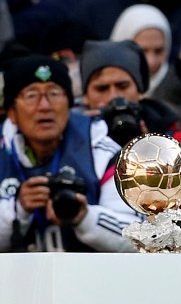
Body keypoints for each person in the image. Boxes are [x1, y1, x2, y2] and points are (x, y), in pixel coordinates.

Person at [0, 55, 138, 251]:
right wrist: (18, 210)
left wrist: (84, 217)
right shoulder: (3, 154)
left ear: (70, 104)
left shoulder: (102, 151)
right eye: (31, 95)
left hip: (93, 278)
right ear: (12, 113)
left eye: (54, 93)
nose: (45, 106)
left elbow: (139, 238)